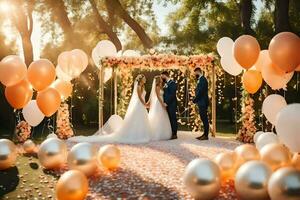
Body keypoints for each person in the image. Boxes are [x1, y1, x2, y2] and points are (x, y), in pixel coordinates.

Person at [68, 74, 152, 144]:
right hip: (139, 104)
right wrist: (145, 104)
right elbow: (139, 97)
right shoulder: (138, 87)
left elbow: (142, 97)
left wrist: (145, 104)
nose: (145, 80)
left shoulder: (142, 86)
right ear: (141, 80)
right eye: (144, 79)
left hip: (141, 105)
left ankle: (141, 134)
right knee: (137, 119)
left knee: (140, 120)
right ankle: (136, 135)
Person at [148, 76, 172, 141]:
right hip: (158, 102)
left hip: (161, 100)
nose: (162, 79)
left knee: (162, 116)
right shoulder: (157, 87)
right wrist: (162, 104)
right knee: (158, 116)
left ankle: (163, 132)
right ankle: (157, 133)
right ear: (159, 80)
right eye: (160, 79)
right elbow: (158, 96)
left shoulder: (161, 86)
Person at [193, 67, 209, 140]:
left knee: (204, 118)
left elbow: (201, 92)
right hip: (201, 102)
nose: (194, 74)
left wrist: (195, 99)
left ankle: (206, 135)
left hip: (203, 102)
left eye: (195, 73)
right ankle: (204, 134)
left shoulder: (203, 80)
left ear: (198, 72)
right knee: (203, 118)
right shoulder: (200, 80)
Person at [161, 71, 178, 139]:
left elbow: (172, 95)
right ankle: (170, 132)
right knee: (169, 119)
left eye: (162, 76)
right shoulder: (165, 83)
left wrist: (166, 103)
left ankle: (174, 134)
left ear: (165, 75)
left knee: (173, 118)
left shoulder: (173, 83)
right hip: (166, 104)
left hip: (172, 104)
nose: (162, 78)